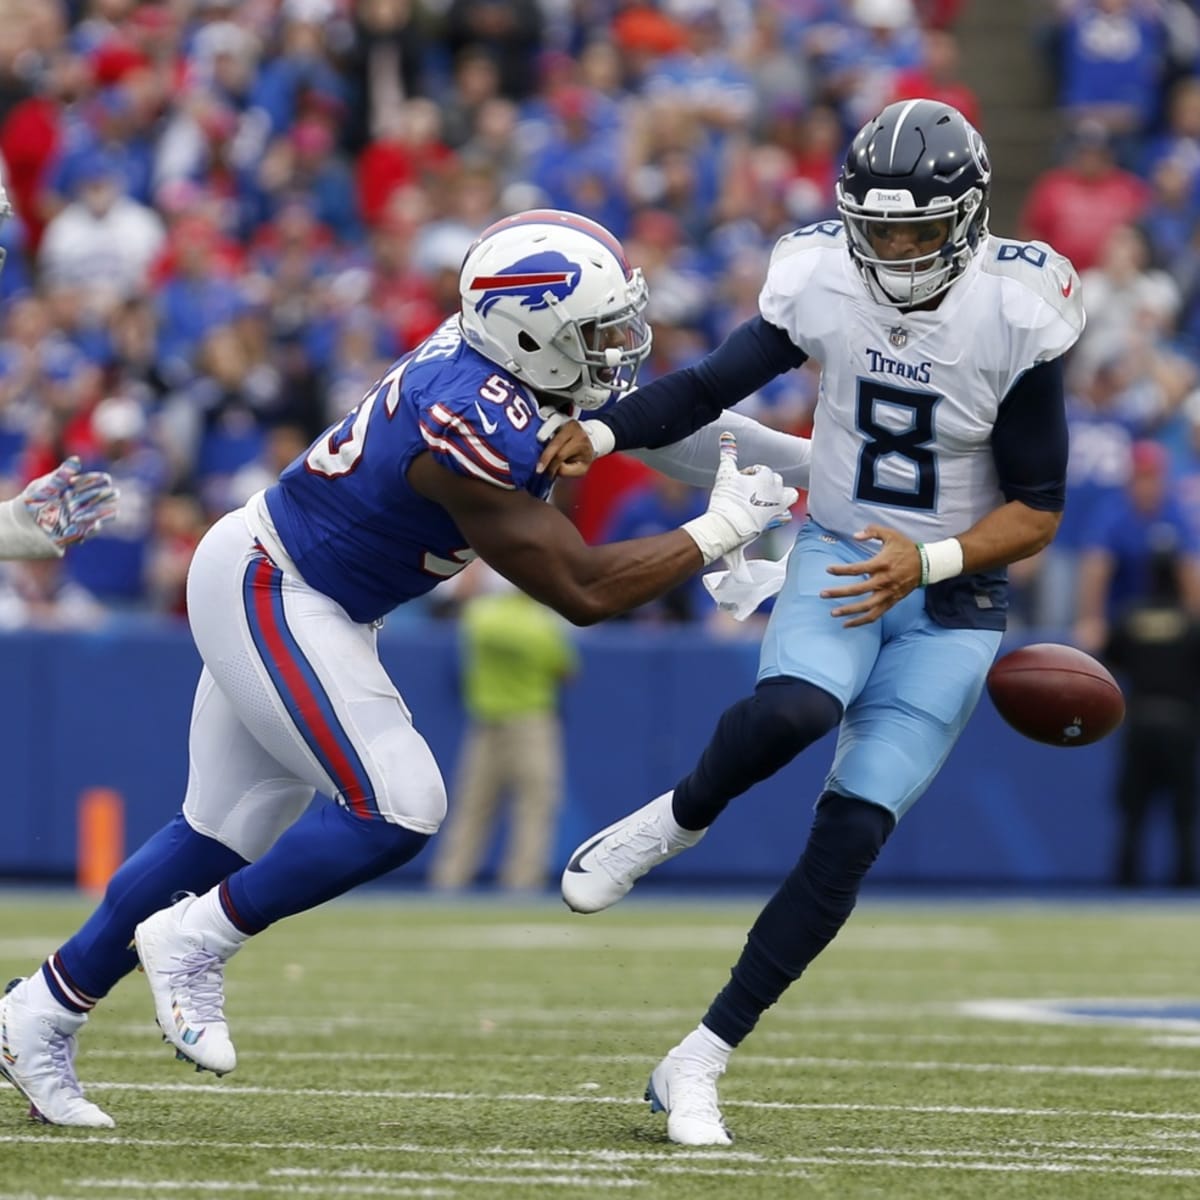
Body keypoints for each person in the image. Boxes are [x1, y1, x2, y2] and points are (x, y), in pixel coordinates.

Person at [0, 208, 800, 1129]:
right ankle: (195, 939)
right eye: (597, 329)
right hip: (279, 588)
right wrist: (718, 531)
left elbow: (665, 426)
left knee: (217, 832)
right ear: (532, 331)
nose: (620, 346)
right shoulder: (469, 417)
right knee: (399, 803)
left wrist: (823, 471)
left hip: (302, 590)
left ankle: (39, 1012)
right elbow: (580, 587)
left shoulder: (510, 362)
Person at [540, 100, 1086, 1146]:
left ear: (965, 223)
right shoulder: (820, 276)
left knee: (850, 837)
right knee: (792, 710)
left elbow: (1038, 510)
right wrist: (605, 430)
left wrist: (923, 561)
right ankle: (677, 818)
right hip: (842, 545)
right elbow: (707, 388)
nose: (895, 251)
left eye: (918, 233)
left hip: (953, 587)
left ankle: (698, 1060)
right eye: (878, 230)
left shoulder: (1021, 307)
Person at [428, 563, 578, 891]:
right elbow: (566, 671)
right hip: (532, 722)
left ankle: (449, 878)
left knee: (473, 806)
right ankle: (522, 882)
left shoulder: (481, 616)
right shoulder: (543, 624)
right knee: (535, 805)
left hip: (486, 721)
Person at [1104, 545, 1200, 888]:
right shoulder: (1190, 623)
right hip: (1181, 723)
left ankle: (1126, 882)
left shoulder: (1130, 617)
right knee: (1184, 812)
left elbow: (1107, 663)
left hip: (1139, 721)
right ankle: (1186, 881)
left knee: (1133, 811)